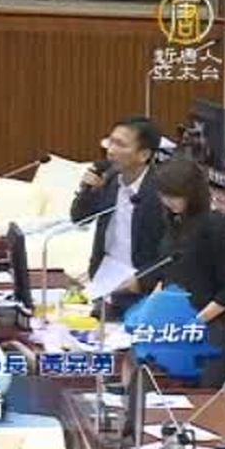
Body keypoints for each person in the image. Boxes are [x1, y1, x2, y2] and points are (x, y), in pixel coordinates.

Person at [139, 157, 225, 388]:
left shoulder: (216, 226)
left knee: (201, 400)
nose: (168, 202)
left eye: (174, 196)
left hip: (208, 328)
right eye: (164, 195)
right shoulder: (174, 221)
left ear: (192, 193)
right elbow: (168, 272)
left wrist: (192, 322)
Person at [70, 116, 164, 320]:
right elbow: (79, 219)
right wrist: (87, 192)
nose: (111, 150)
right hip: (105, 283)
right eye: (110, 142)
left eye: (121, 145)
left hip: (142, 289)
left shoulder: (161, 193)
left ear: (144, 155)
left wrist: (143, 281)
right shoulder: (109, 179)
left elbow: (171, 253)